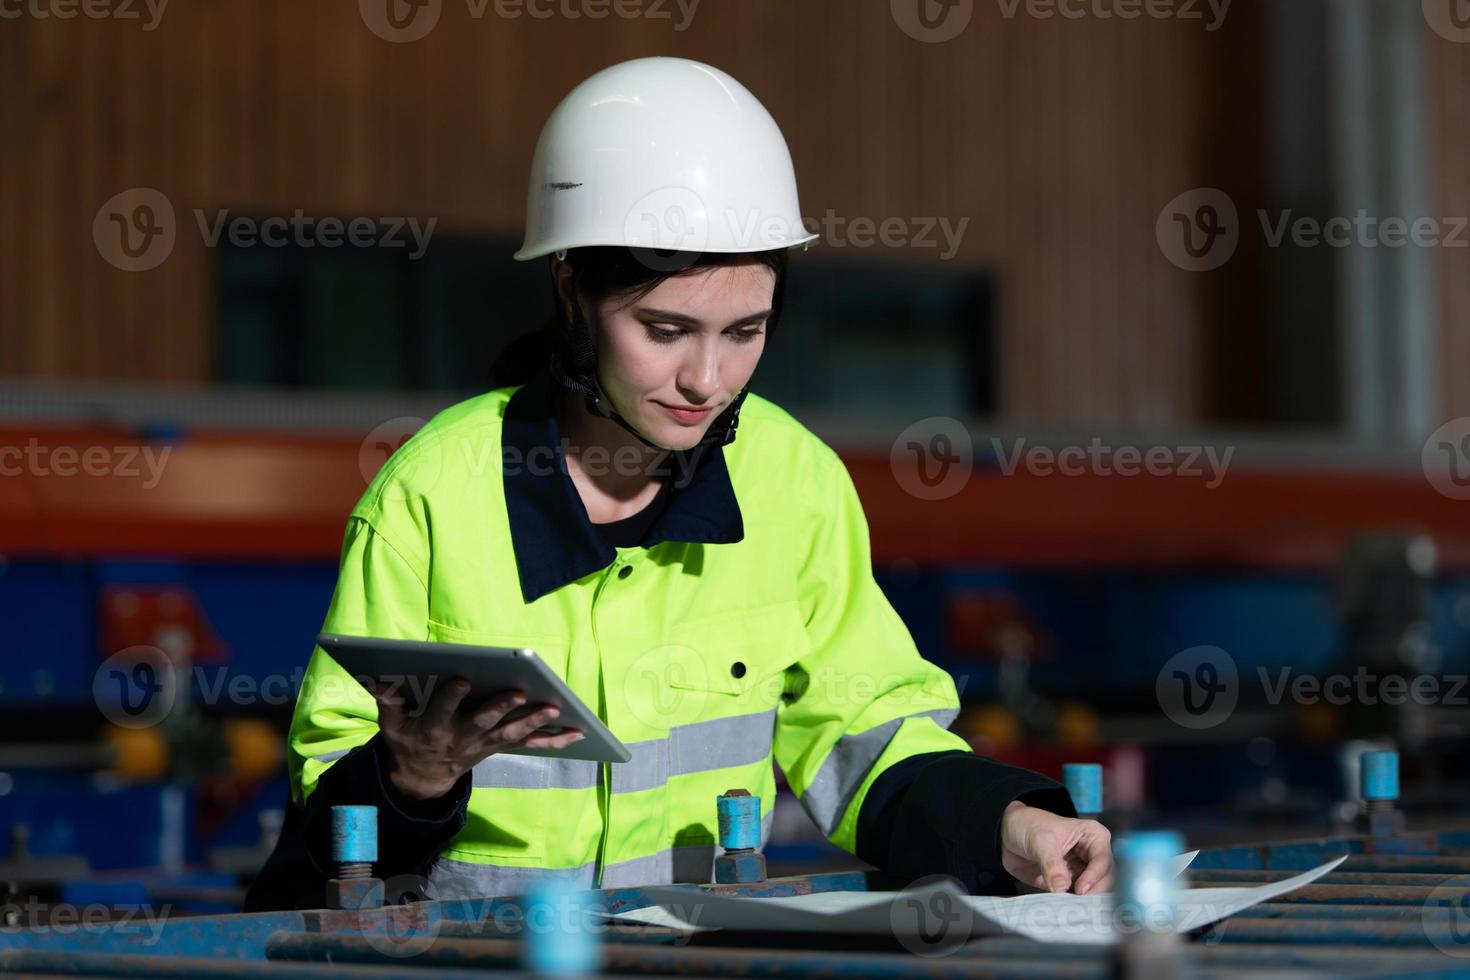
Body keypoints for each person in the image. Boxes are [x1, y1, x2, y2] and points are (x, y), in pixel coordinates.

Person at [244, 56, 1112, 912]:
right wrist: (413, 775)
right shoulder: (432, 494)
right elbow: (327, 832)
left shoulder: (793, 482)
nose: (707, 377)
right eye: (664, 329)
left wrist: (1008, 819)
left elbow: (865, 731)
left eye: (745, 330)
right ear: (572, 291)